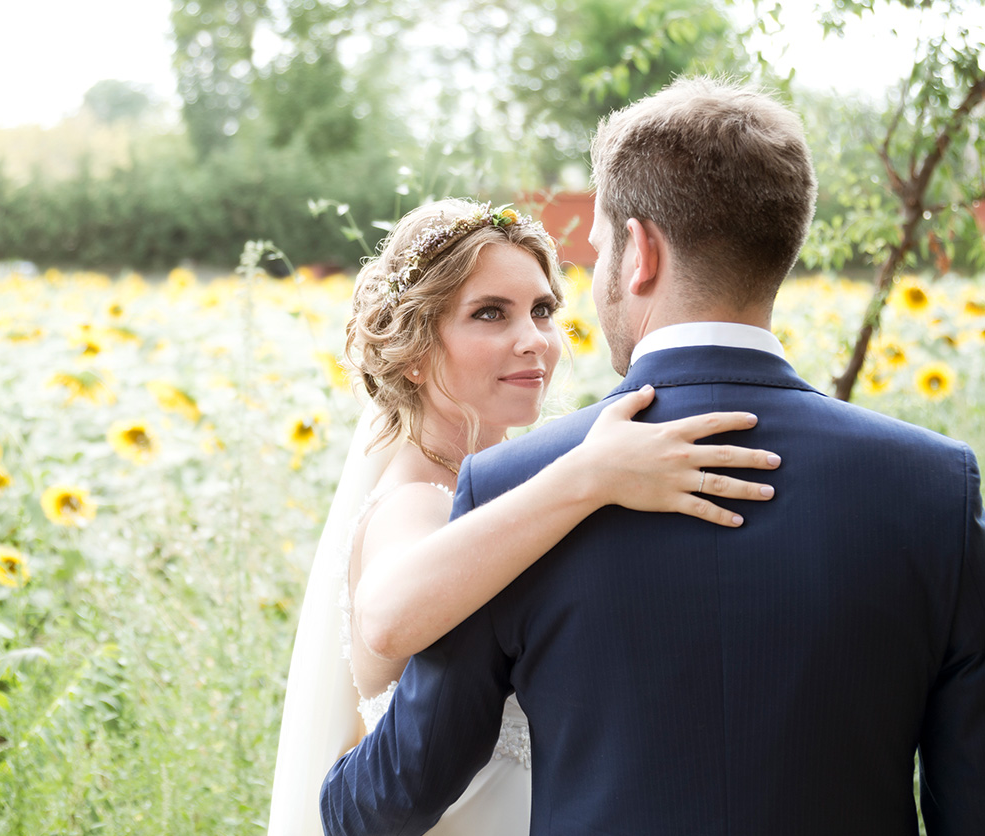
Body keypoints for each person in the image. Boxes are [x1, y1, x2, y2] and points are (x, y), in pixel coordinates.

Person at [320, 78, 985, 836]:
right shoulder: (936, 486)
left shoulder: (511, 488)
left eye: (595, 252)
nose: (542, 333)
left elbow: (389, 798)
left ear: (639, 253)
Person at [268, 197, 784, 836]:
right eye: (490, 314)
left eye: (542, 310)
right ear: (412, 351)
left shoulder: (502, 490)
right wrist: (590, 474)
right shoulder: (415, 499)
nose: (533, 340)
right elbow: (386, 616)